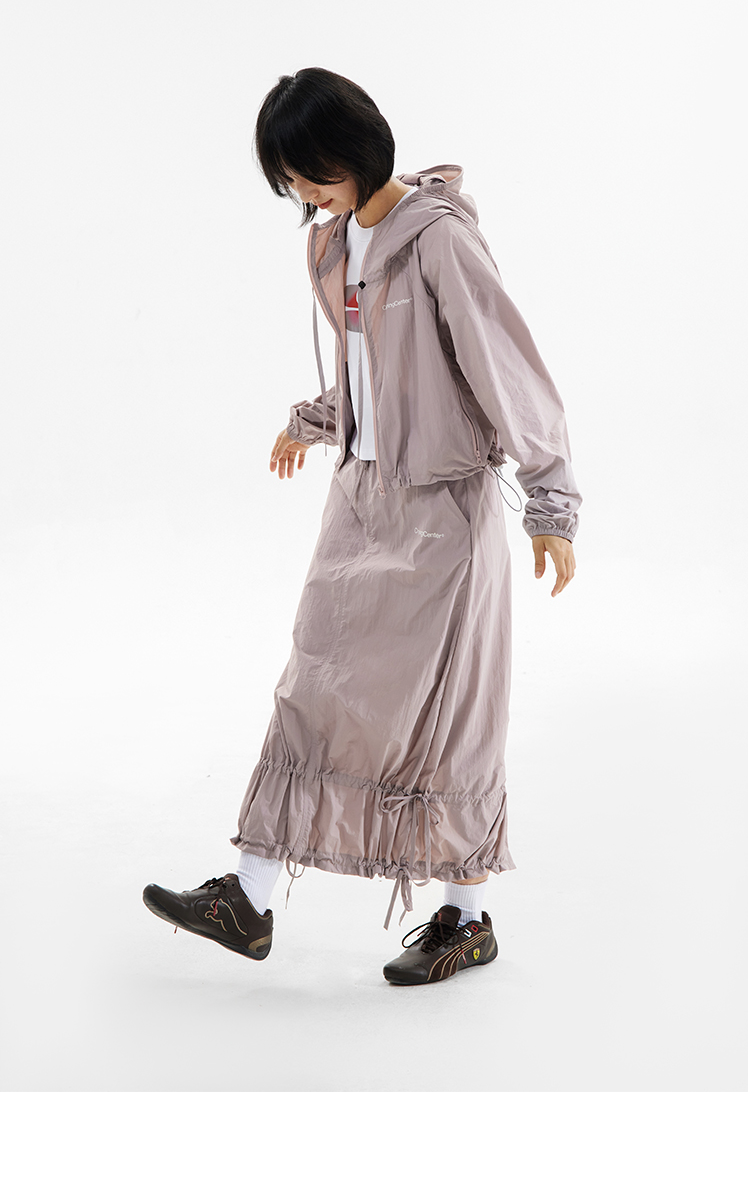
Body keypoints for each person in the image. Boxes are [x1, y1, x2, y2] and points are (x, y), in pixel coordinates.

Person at [143, 66, 582, 986]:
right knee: (313, 679)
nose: (306, 196)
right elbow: (370, 369)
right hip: (361, 496)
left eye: (313, 174)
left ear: (357, 149)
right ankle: (248, 896)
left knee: (448, 718)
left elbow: (505, 367)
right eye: (293, 183)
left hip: (444, 509)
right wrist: (315, 421)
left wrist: (550, 500)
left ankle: (465, 917)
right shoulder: (334, 243)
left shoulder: (440, 240)